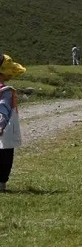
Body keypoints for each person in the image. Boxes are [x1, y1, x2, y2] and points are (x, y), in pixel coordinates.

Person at [0, 54, 26, 192]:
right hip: (4, 130)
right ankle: (1, 183)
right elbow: (3, 109)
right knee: (5, 155)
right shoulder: (5, 91)